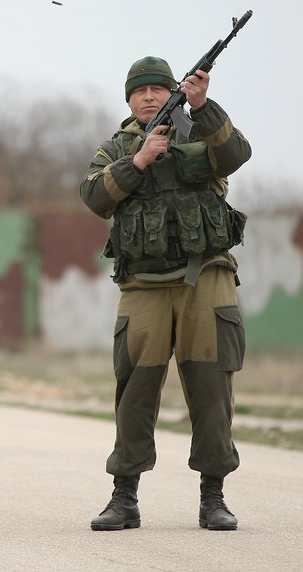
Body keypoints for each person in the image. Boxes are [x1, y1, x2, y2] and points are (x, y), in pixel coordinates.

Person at [79, 56, 251, 531]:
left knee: (212, 388)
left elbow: (236, 154)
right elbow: (93, 197)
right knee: (134, 389)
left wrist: (204, 106)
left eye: (158, 88)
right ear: (129, 100)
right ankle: (124, 498)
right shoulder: (116, 146)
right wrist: (138, 161)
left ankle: (213, 498)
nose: (150, 97)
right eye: (140, 91)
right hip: (143, 285)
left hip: (206, 277)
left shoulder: (200, 130)